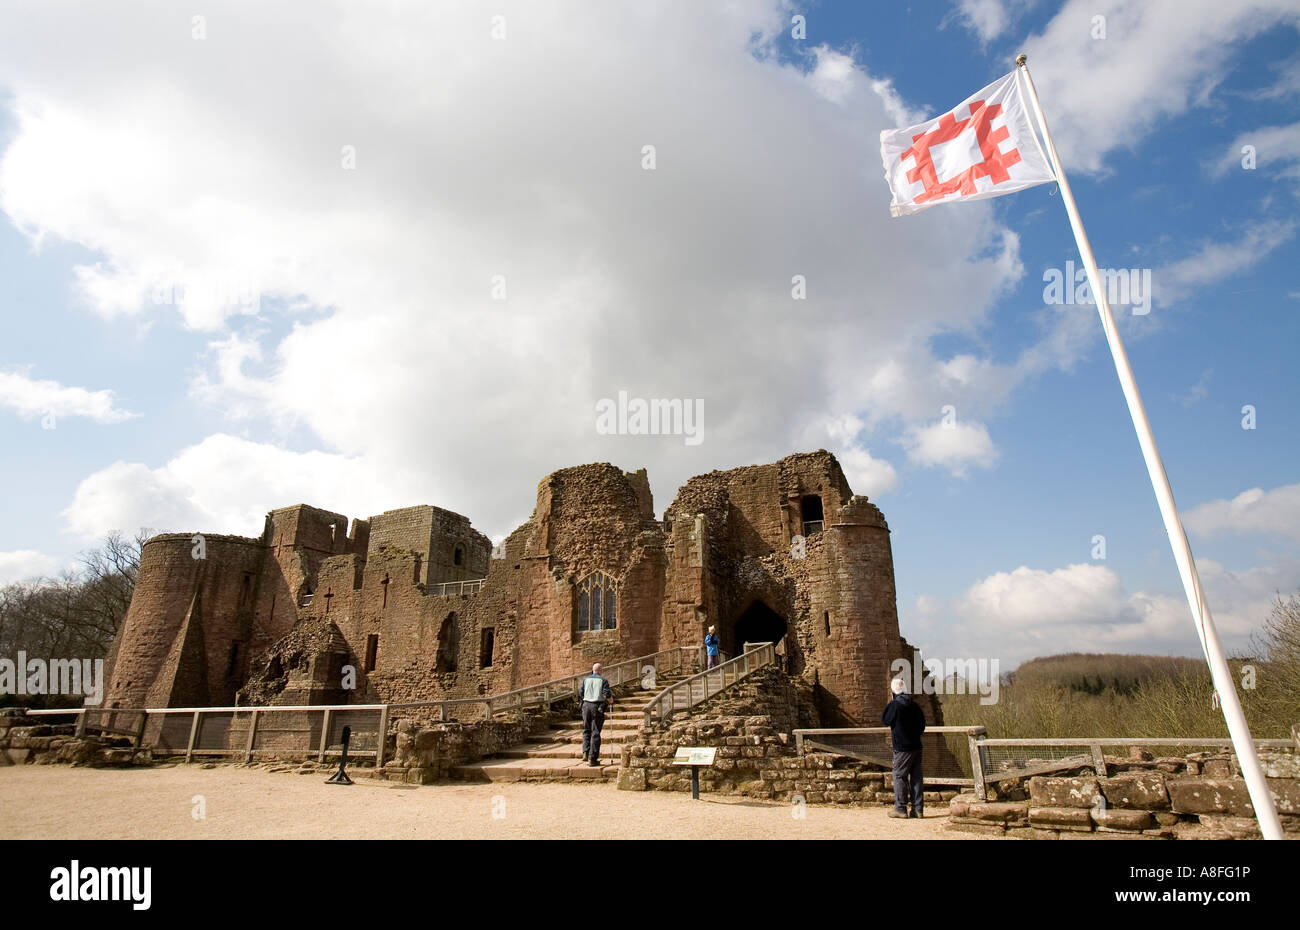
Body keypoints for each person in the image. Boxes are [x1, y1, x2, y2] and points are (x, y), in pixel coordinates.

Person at [881, 677, 926, 819]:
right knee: (917, 777)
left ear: (893, 692)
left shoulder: (895, 705)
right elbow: (922, 726)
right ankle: (918, 810)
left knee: (899, 776)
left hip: (902, 748)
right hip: (917, 746)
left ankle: (900, 808)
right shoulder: (915, 705)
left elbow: (885, 720)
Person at [580, 663, 612, 766]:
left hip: (585, 705)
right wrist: (610, 700)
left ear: (592, 670)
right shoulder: (603, 680)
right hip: (596, 707)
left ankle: (585, 752)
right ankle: (592, 758)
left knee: (586, 729)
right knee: (595, 731)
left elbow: (581, 693)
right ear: (601, 670)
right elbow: (607, 694)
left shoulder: (585, 679)